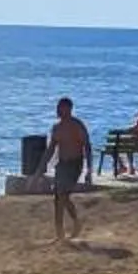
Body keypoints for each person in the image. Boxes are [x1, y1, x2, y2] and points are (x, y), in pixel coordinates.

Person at [48, 98, 90, 243]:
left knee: (62, 195)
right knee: (58, 199)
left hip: (75, 164)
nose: (57, 111)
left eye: (60, 108)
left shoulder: (77, 125)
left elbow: (87, 146)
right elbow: (51, 149)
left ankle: (74, 224)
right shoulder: (56, 128)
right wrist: (40, 169)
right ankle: (60, 234)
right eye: (57, 108)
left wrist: (89, 170)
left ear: (68, 109)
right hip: (62, 165)